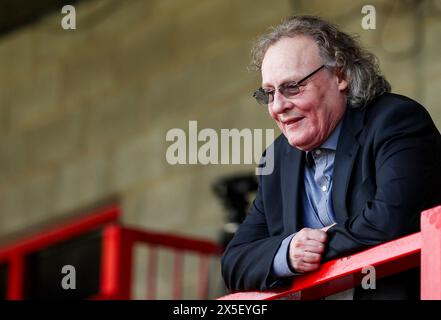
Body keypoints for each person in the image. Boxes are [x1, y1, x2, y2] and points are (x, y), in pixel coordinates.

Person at [221, 15, 441, 299]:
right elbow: (234, 262)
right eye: (269, 94)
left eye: (292, 87)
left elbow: (390, 221)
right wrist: (288, 253)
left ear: (340, 76)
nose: (278, 107)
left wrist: (315, 245)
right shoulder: (277, 160)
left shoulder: (395, 121)